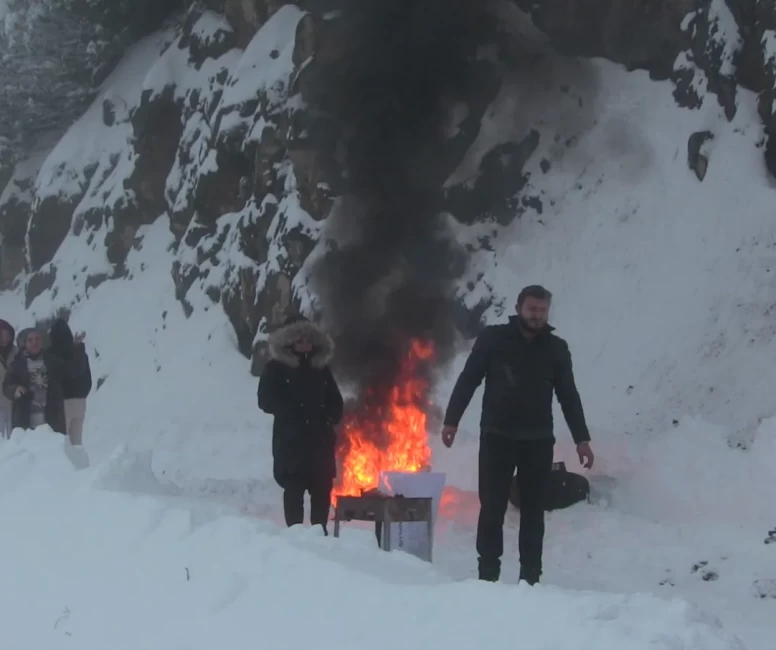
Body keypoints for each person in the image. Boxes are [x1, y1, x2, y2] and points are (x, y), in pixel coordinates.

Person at [441, 285, 594, 585]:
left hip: (537, 441)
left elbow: (568, 396)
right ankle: (487, 574)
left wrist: (582, 439)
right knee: (492, 507)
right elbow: (468, 379)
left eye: (542, 310)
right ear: (518, 308)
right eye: (531, 309)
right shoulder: (493, 340)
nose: (537, 315)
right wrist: (451, 420)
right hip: (497, 437)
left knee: (533, 511)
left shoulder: (556, 349)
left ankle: (531, 577)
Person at [257, 315, 344, 533]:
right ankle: (295, 535)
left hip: (320, 442)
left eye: (308, 338)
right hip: (291, 442)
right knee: (294, 490)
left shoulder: (321, 369)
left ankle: (320, 533)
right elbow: (265, 400)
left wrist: (330, 416)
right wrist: (290, 412)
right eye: (299, 338)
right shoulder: (275, 368)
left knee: (322, 489)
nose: (305, 343)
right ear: (289, 342)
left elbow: (335, 400)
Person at [2, 327, 66, 434]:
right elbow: (6, 386)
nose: (34, 342)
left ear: (42, 342)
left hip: (51, 420)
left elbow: (70, 376)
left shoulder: (53, 362)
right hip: (25, 419)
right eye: (30, 340)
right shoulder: (18, 364)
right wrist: (15, 389)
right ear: (25, 344)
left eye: (37, 339)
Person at [48, 318, 92, 447]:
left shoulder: (52, 354)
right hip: (80, 400)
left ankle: (66, 465)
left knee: (63, 440)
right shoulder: (79, 353)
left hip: (62, 401)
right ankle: (80, 464)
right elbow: (88, 377)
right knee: (77, 440)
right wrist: (83, 393)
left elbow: (55, 376)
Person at [0, 319, 17, 439]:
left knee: (14, 437)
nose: (3, 338)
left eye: (6, 335)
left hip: (13, 402)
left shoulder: (17, 353)